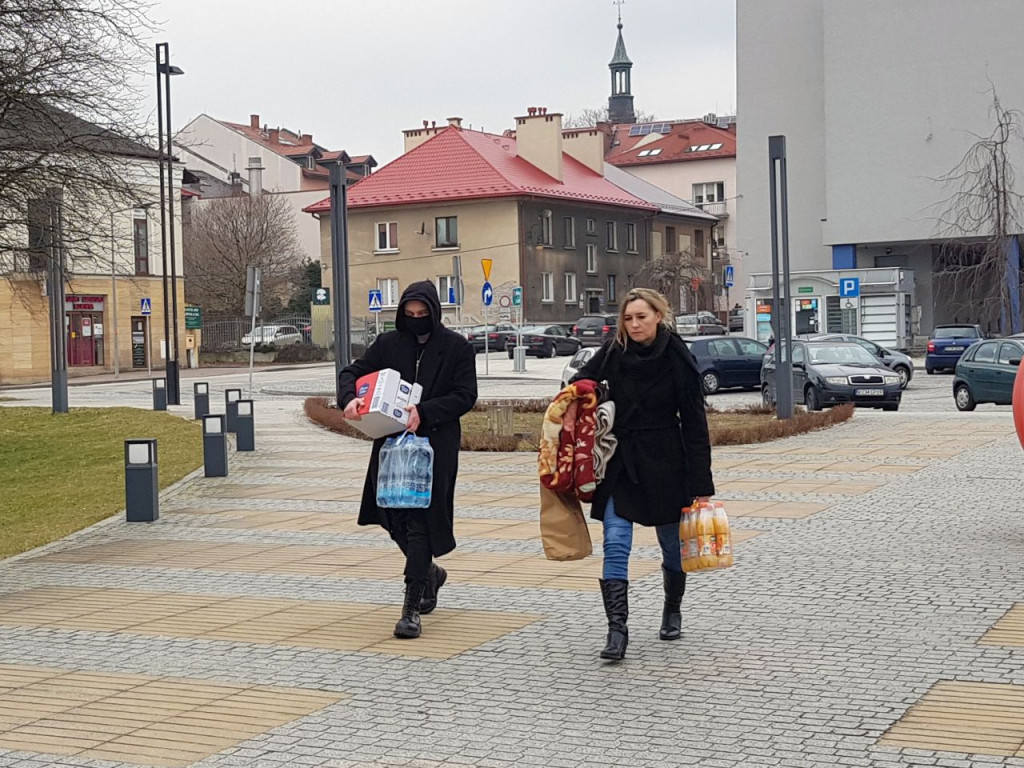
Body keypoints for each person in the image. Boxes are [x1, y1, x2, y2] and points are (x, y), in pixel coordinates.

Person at [571, 288, 714, 661]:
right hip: (623, 461)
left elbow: (696, 425)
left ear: (658, 317)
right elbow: (582, 379)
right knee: (616, 542)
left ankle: (672, 608)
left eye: (641, 317)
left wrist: (702, 486)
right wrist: (584, 387)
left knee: (671, 547)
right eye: (628, 318)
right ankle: (617, 631)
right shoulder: (615, 350)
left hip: (668, 462)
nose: (634, 325)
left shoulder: (678, 357)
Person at [338, 281, 478, 639]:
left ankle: (411, 606)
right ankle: (429, 573)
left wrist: (426, 412)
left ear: (434, 312)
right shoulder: (388, 344)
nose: (416, 320)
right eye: (409, 314)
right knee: (391, 515)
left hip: (434, 446)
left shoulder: (457, 348)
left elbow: (465, 395)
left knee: (420, 522)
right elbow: (352, 371)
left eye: (423, 314)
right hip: (390, 444)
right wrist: (350, 398)